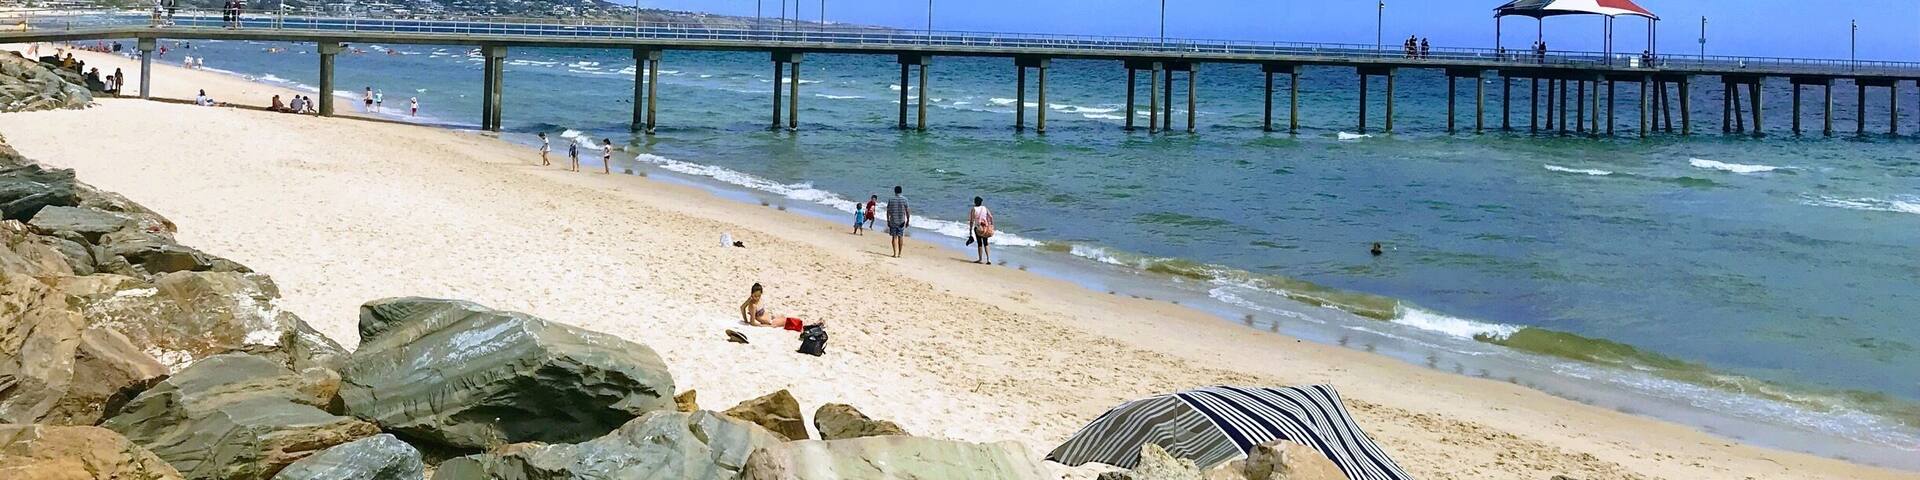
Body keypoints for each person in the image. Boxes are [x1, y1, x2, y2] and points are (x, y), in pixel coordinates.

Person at [739, 283, 824, 330]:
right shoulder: (753, 305)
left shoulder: (753, 300)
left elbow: (742, 308)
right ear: (751, 294)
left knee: (790, 319)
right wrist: (767, 326)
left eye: (759, 295)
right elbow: (753, 322)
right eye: (754, 296)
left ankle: (813, 324)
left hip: (771, 317)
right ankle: (815, 325)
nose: (756, 298)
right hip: (770, 322)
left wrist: (745, 320)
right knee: (791, 322)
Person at [885, 185, 910, 258]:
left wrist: (888, 220)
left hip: (893, 220)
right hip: (901, 221)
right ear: (901, 191)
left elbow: (888, 211)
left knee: (894, 237)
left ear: (895, 191)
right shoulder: (905, 199)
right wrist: (908, 220)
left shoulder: (891, 199)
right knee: (900, 237)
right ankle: (899, 253)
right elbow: (907, 211)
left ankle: (895, 253)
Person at [968, 196, 994, 264]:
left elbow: (972, 220)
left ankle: (980, 259)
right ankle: (988, 259)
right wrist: (991, 225)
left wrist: (970, 231)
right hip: (985, 227)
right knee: (986, 243)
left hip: (978, 228)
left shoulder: (974, 209)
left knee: (979, 243)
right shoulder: (984, 208)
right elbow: (991, 216)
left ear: (975, 202)